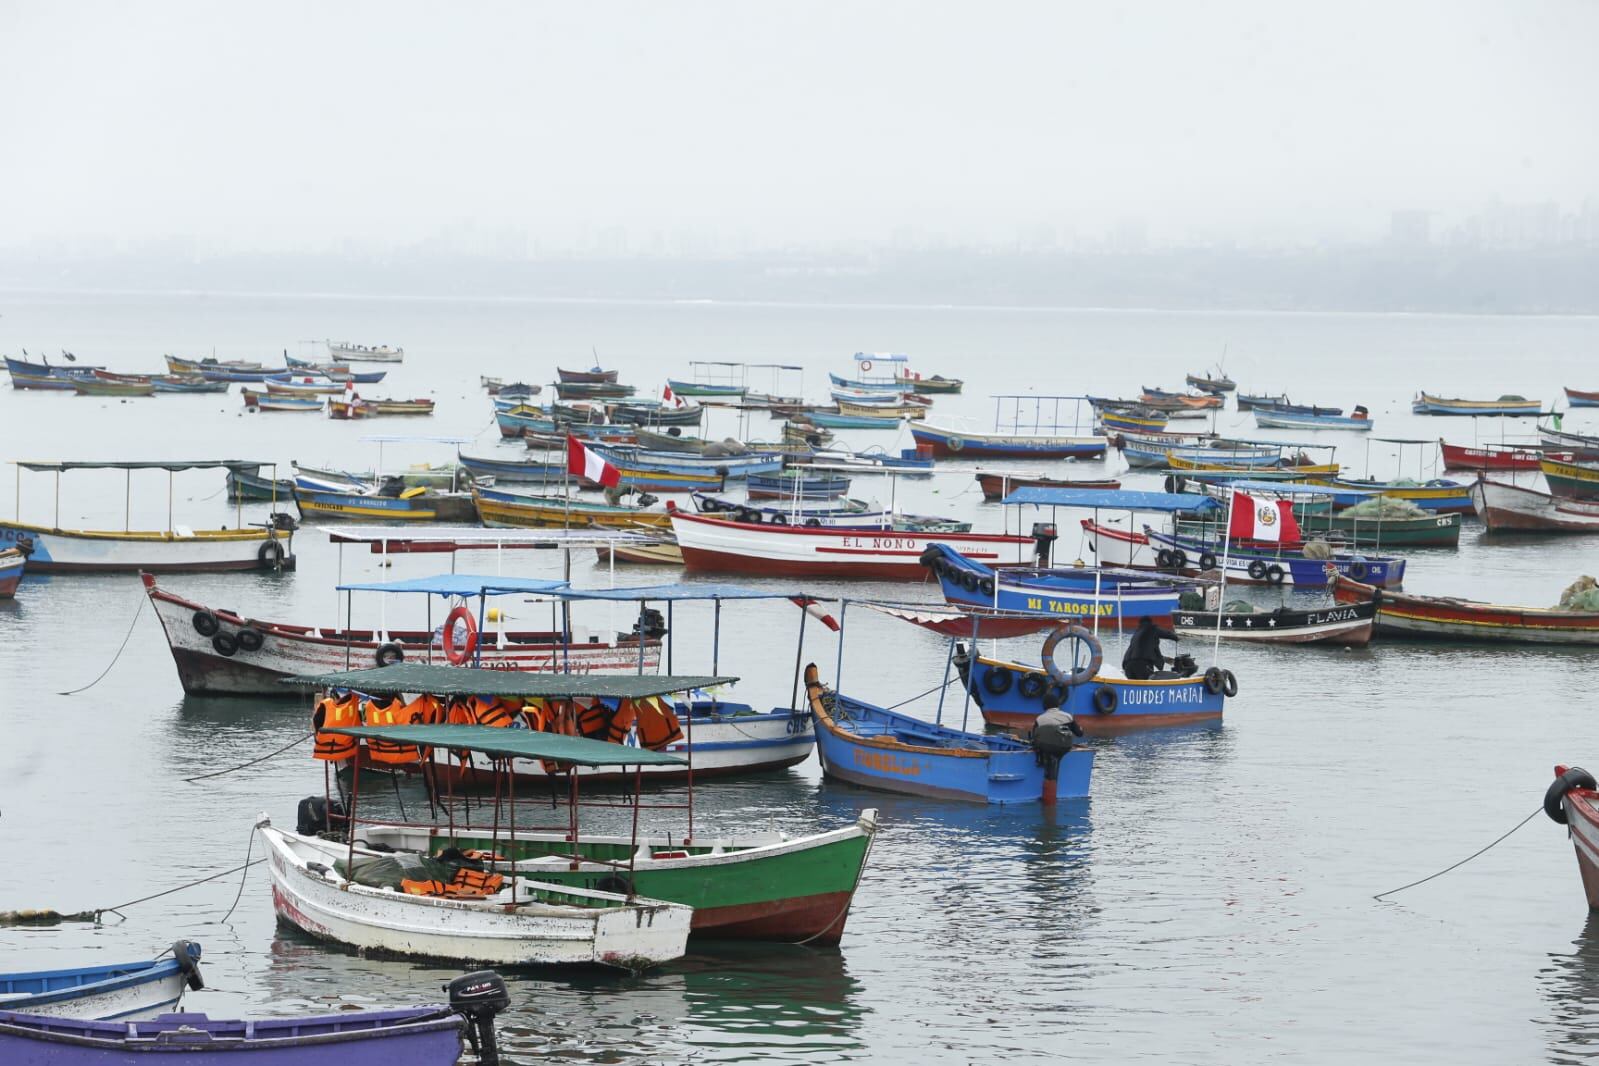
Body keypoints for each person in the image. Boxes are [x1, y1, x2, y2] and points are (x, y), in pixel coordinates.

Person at [1122, 615, 1177, 680]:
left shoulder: (1136, 633)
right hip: (1141, 664)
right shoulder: (1152, 629)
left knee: (1134, 683)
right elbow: (1167, 633)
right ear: (1150, 623)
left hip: (1127, 666)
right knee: (1147, 681)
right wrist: (1176, 637)